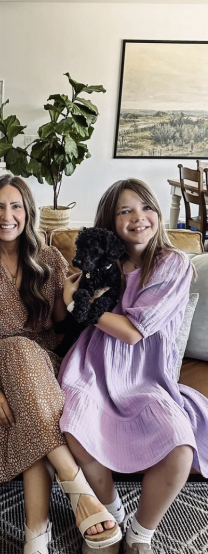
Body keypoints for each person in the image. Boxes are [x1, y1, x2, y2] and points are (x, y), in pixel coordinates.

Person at [0, 174, 121, 554]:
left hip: (44, 360)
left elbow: (62, 320)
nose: (7, 215)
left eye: (15, 206)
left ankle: (37, 536)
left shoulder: (48, 258)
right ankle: (75, 486)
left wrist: (73, 292)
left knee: (32, 412)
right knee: (17, 353)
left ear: (28, 213)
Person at [59, 178, 208, 554]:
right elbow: (71, 311)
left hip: (146, 374)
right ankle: (110, 514)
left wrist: (79, 303)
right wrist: (73, 298)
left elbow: (132, 332)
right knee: (77, 430)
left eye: (145, 207)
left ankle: (141, 532)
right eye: (125, 211)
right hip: (92, 365)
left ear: (157, 213)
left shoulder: (172, 264)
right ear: (111, 221)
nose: (138, 217)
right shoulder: (104, 263)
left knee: (180, 447)